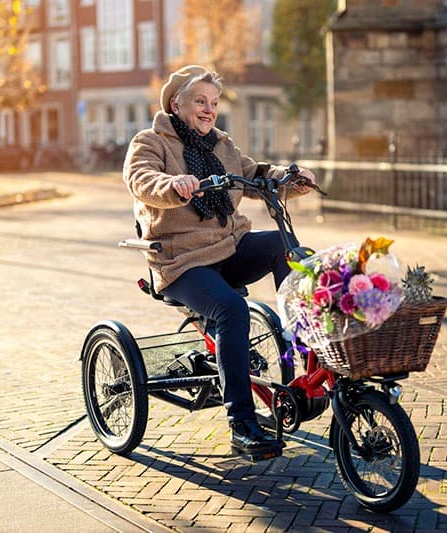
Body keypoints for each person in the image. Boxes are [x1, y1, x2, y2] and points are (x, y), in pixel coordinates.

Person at [122, 65, 316, 458]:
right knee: (231, 309)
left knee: (286, 246)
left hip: (229, 247)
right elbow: (142, 179)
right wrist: (172, 184)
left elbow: (256, 173)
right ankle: (241, 424)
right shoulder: (150, 142)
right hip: (181, 260)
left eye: (213, 102)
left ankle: (307, 348)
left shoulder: (222, 145)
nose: (209, 109)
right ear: (176, 104)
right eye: (200, 101)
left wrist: (289, 177)